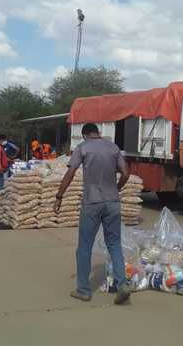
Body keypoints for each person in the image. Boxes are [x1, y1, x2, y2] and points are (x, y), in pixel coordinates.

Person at [55, 123, 130, 305]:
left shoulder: (83, 147)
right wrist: (116, 189)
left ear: (85, 135)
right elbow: (126, 173)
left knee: (84, 247)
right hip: (112, 203)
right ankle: (122, 285)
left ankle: (83, 290)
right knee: (114, 245)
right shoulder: (113, 147)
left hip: (92, 203)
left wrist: (59, 196)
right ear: (98, 132)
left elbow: (71, 173)